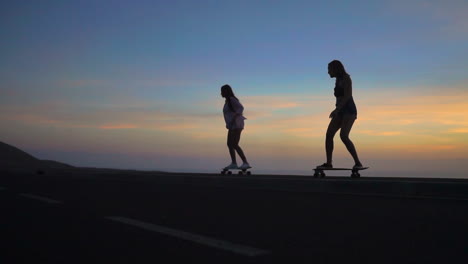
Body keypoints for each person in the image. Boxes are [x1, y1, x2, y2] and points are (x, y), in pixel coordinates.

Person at [317, 60, 363, 169]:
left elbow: (347, 96)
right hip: (340, 111)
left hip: (349, 111)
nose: (328, 72)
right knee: (329, 135)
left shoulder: (346, 79)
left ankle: (358, 163)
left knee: (343, 136)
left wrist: (336, 110)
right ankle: (329, 163)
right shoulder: (338, 80)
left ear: (335, 69)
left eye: (329, 70)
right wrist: (337, 110)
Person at [221, 84, 251, 170]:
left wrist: (234, 119)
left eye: (222, 91)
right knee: (229, 144)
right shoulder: (227, 101)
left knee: (234, 144)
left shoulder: (232, 99)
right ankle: (234, 163)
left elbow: (241, 108)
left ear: (226, 91)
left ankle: (245, 162)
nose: (221, 93)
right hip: (232, 125)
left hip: (236, 124)